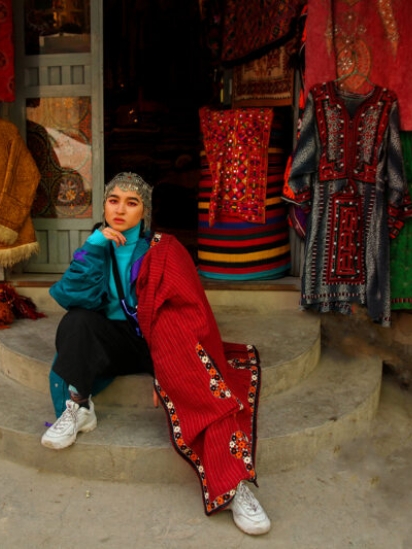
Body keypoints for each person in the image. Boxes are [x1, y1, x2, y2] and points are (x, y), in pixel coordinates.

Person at [41, 172, 271, 535]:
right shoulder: (96, 245)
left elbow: (189, 312)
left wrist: (168, 369)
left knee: (178, 339)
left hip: (162, 344)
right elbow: (70, 295)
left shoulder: (164, 249)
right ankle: (79, 406)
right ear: (103, 206)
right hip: (116, 341)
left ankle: (234, 483)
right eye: (113, 200)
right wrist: (95, 249)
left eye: (131, 203)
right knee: (76, 321)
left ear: (144, 213)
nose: (120, 209)